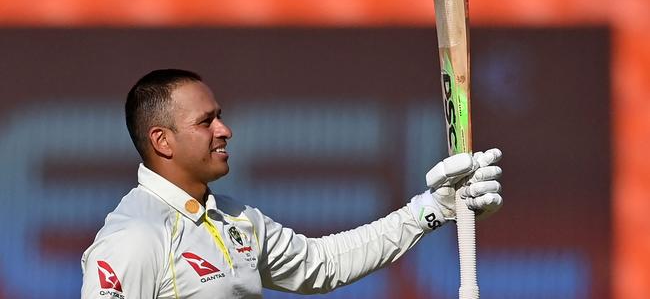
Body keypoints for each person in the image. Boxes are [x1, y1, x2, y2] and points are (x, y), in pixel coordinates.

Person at [81, 69, 503, 299]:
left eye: (220, 116)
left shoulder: (234, 218)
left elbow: (322, 265)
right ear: (162, 141)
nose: (225, 130)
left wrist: (433, 209)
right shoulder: (134, 237)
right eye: (205, 122)